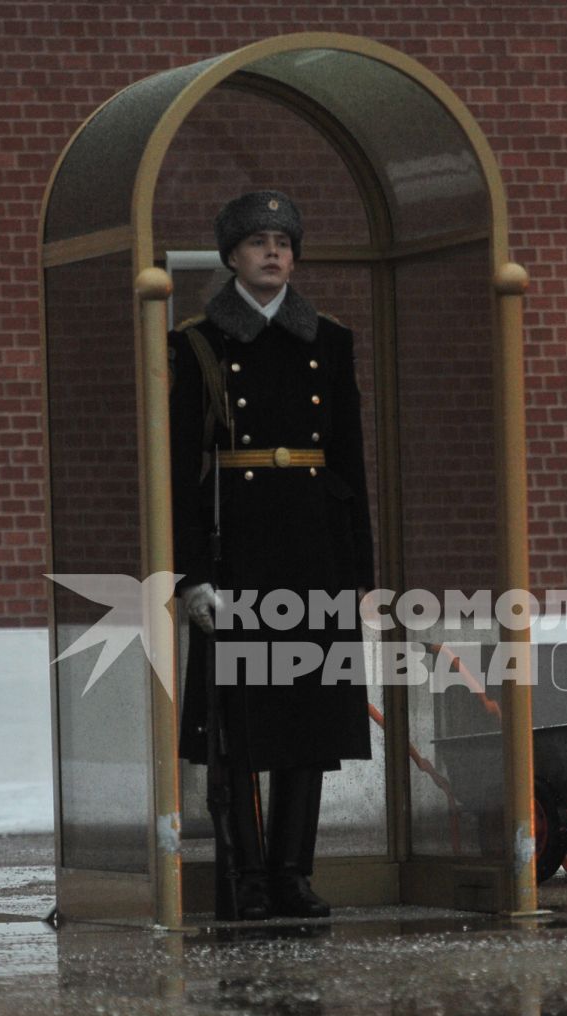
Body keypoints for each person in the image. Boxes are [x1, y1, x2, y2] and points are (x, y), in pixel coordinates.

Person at [167, 190, 375, 921]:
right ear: (230, 255)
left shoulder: (329, 338)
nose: (273, 252)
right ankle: (246, 874)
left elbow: (348, 465)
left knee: (307, 724)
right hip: (239, 553)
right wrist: (189, 576)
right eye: (257, 241)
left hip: (313, 550)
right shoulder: (197, 341)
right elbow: (180, 470)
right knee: (241, 727)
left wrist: (359, 577)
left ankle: (292, 871)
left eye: (284, 240)